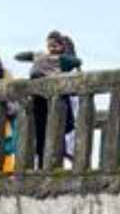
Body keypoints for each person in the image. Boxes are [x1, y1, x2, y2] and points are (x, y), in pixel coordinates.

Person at [15, 31, 81, 169]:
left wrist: (59, 58)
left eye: (55, 45)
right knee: (41, 139)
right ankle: (41, 167)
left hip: (56, 103)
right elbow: (18, 56)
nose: (51, 49)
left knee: (57, 137)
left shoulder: (62, 60)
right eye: (49, 45)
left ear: (62, 46)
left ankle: (54, 167)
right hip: (39, 102)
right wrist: (38, 56)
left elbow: (77, 62)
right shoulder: (42, 57)